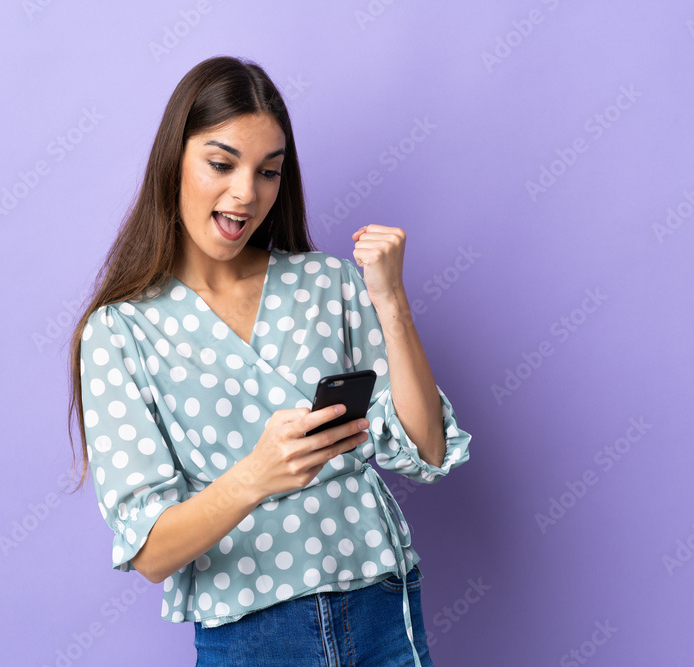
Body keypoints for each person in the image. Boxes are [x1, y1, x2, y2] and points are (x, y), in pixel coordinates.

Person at [66, 55, 472, 666]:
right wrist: (255, 475)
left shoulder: (328, 282)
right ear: (173, 161)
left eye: (268, 172)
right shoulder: (120, 331)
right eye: (221, 164)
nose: (245, 193)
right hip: (251, 636)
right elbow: (150, 553)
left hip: (380, 609)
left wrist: (391, 300)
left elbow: (427, 451)